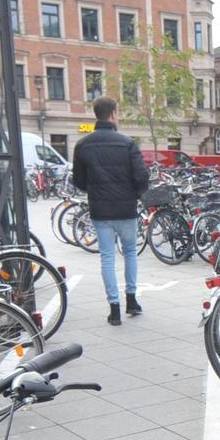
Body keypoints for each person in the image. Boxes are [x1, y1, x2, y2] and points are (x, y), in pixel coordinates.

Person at [70, 96, 149, 326]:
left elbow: (79, 180)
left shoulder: (83, 145)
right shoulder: (127, 143)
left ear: (96, 114)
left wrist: (94, 190)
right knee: (130, 252)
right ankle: (132, 300)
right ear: (113, 113)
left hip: (101, 210)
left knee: (107, 258)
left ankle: (114, 308)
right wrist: (135, 193)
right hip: (126, 208)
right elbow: (142, 176)